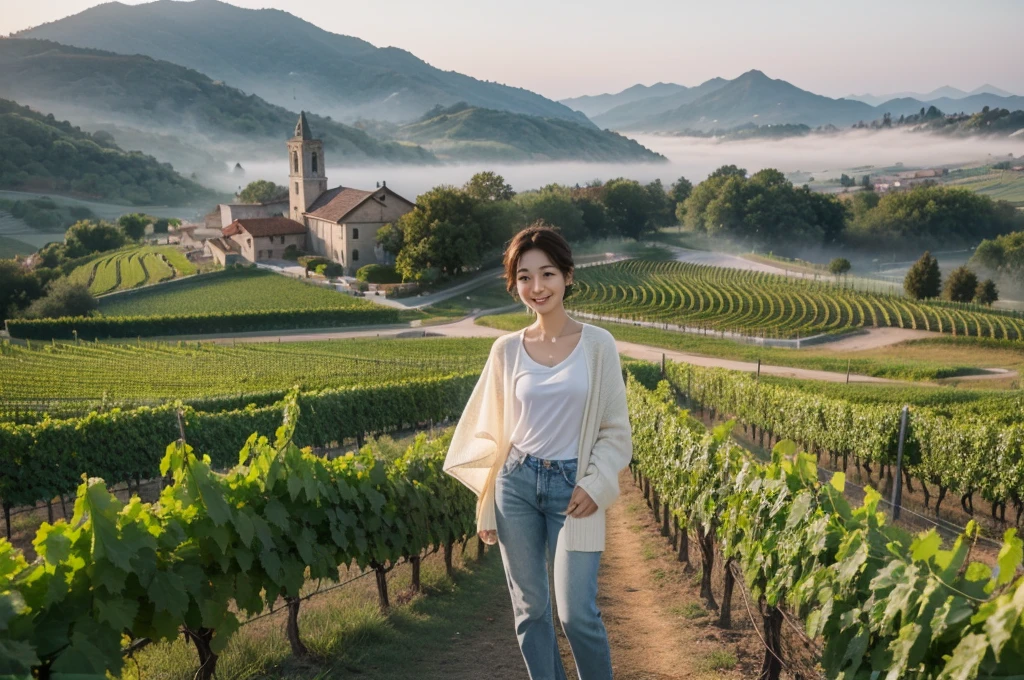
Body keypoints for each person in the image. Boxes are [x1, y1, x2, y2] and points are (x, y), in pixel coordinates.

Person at [443, 223, 633, 680]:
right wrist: (486, 503)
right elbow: (491, 433)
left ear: (567, 276)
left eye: (546, 274)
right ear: (515, 286)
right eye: (524, 277)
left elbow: (615, 430)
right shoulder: (506, 350)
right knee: (530, 613)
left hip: (576, 489)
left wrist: (596, 482)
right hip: (518, 485)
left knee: (577, 615)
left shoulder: (598, 345)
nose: (536, 286)